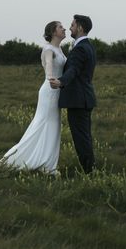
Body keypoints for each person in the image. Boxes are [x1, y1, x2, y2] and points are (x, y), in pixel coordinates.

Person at [0, 21, 67, 174]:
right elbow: (49, 64)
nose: (64, 29)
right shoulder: (49, 49)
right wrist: (51, 78)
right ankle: (40, 164)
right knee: (44, 124)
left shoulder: (59, 49)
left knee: (54, 126)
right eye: (60, 27)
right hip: (50, 90)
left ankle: (47, 163)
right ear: (53, 31)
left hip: (56, 90)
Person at [49, 14, 96, 173]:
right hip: (85, 99)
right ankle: (90, 169)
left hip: (78, 100)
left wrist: (61, 81)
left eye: (73, 25)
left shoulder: (80, 49)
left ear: (80, 28)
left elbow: (73, 70)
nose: (70, 28)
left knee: (81, 138)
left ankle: (89, 171)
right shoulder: (88, 46)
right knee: (85, 136)